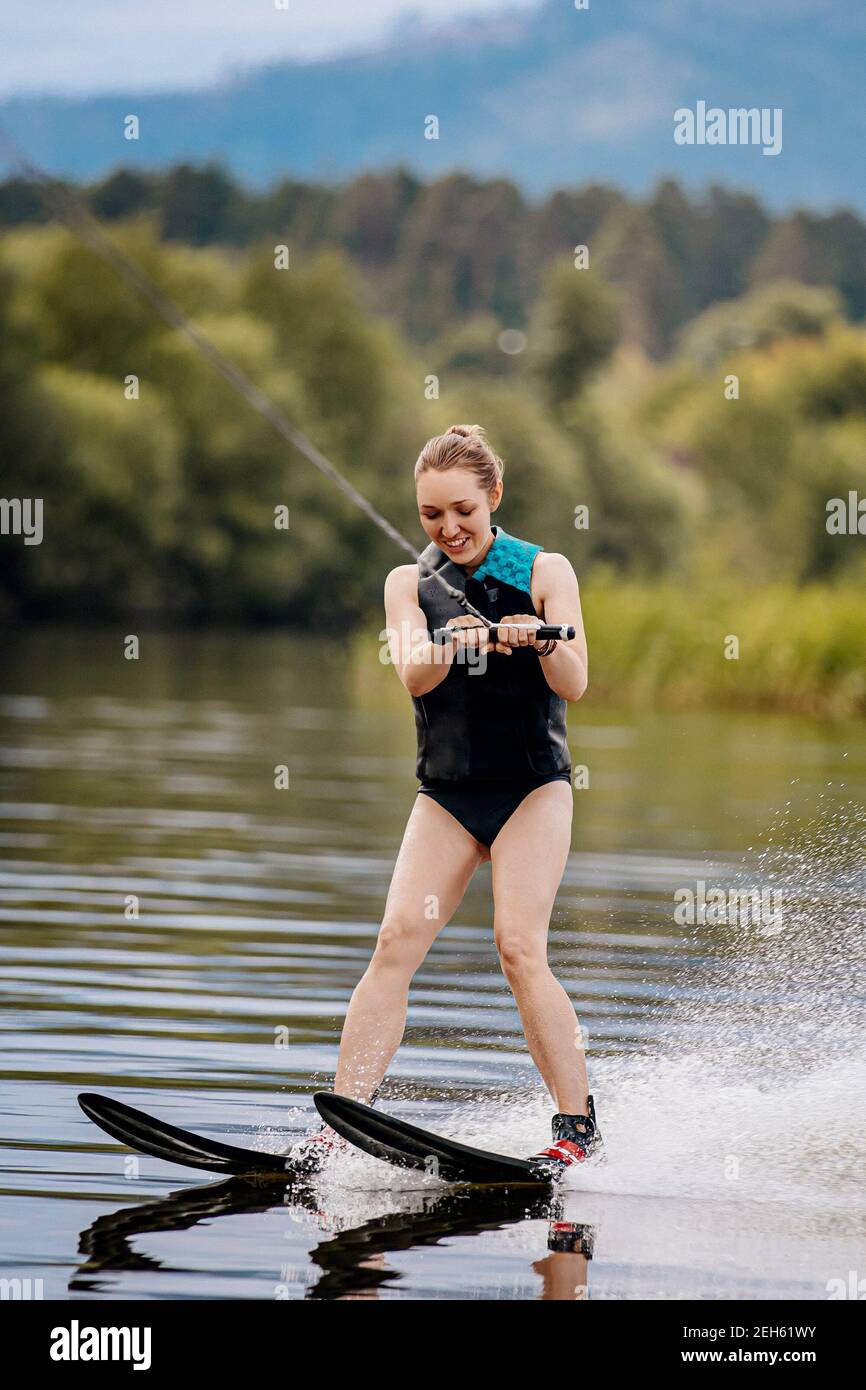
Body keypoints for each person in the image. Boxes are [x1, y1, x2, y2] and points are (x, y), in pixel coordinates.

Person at [288, 424, 603, 1180]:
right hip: (448, 796)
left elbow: (577, 682)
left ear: (494, 496)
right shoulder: (410, 583)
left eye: (462, 509)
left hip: (532, 788)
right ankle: (342, 1121)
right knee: (396, 940)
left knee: (518, 947)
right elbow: (411, 673)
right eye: (432, 515)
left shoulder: (545, 569)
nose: (449, 528)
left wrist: (538, 638)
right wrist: (453, 641)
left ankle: (576, 1128)